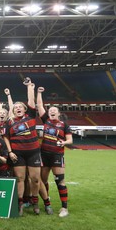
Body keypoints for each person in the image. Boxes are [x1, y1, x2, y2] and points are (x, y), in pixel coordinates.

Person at [3, 78, 50, 216]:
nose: (18, 108)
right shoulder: (10, 122)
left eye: (20, 107)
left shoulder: (30, 116)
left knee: (35, 179)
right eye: (15, 107)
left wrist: (29, 86)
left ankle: (35, 202)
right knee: (20, 179)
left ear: (25, 109)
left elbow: (31, 101)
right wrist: (10, 151)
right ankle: (20, 204)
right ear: (13, 110)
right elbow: (6, 137)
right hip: (18, 154)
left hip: (34, 153)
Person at [37, 87, 73, 217]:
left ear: (58, 113)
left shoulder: (64, 125)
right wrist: (39, 93)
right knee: (43, 180)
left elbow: (70, 140)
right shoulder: (46, 120)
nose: (51, 111)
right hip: (44, 155)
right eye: (50, 110)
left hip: (57, 155)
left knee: (60, 181)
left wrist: (64, 142)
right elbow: (39, 105)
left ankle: (64, 208)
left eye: (54, 111)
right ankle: (47, 200)